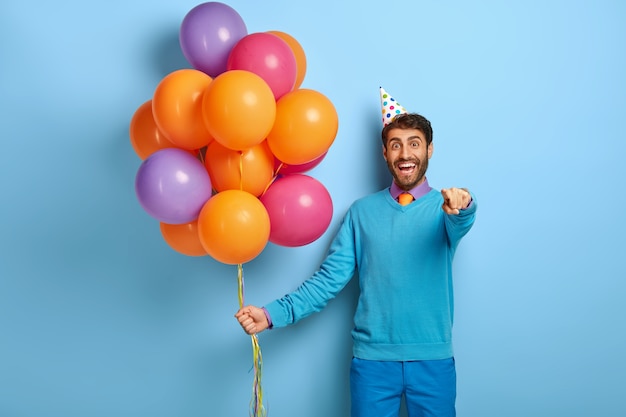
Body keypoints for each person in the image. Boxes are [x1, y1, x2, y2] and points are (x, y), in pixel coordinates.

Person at [235, 104, 477, 417]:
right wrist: (271, 315)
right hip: (372, 364)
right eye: (396, 145)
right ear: (385, 153)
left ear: (429, 149)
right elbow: (327, 281)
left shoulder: (444, 208)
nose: (405, 154)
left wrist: (464, 202)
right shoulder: (361, 213)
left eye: (414, 143)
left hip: (433, 361)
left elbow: (462, 217)